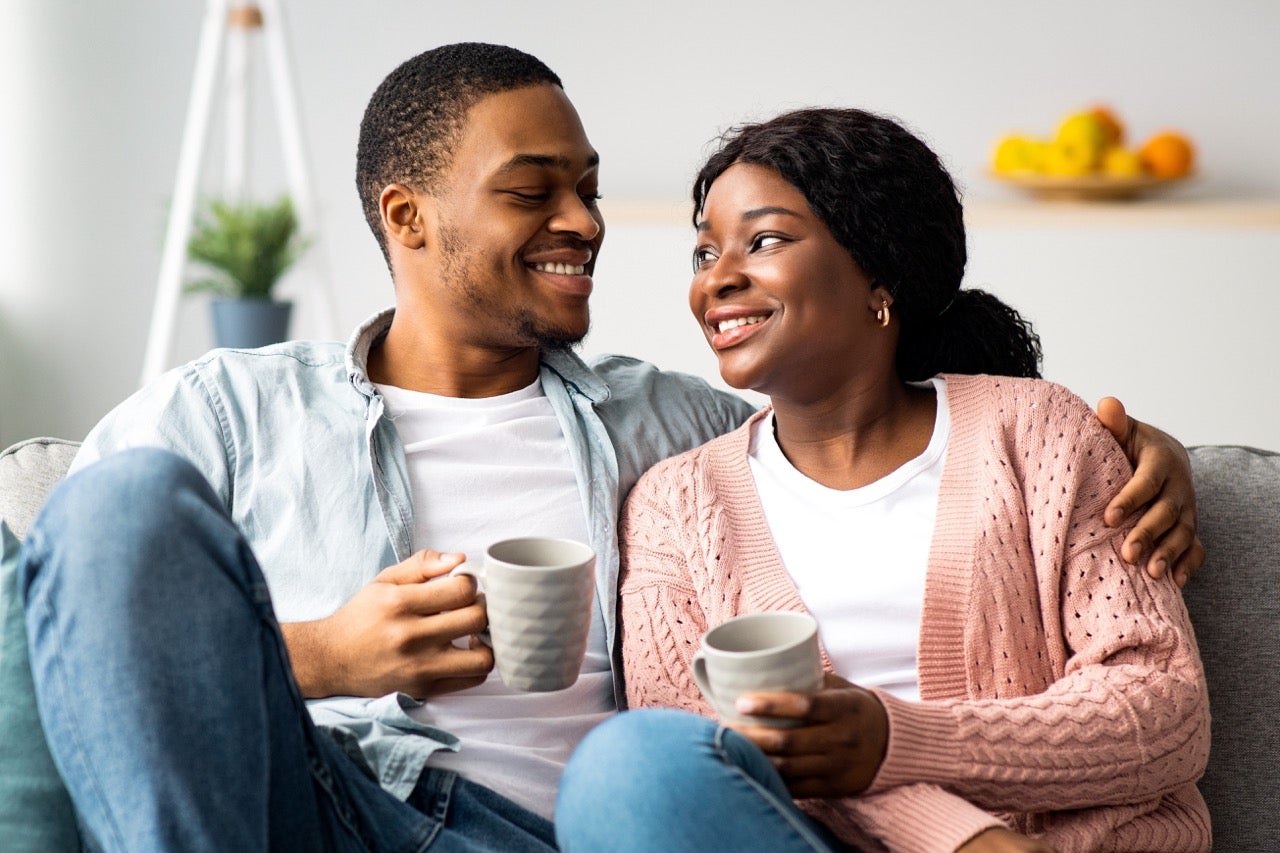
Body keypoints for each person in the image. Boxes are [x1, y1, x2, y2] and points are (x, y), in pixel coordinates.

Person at [18, 44, 1198, 851]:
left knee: (635, 761)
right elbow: (62, 628)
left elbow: (872, 426)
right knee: (115, 510)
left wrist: (1137, 450)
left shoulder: (674, 434)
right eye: (535, 192)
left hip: (565, 828)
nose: (584, 222)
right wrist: (324, 653)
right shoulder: (230, 410)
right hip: (318, 806)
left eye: (585, 189)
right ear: (407, 217)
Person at [556, 108, 1210, 852]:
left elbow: (1164, 709)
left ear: (879, 273)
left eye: (763, 240)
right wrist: (962, 837)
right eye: (704, 253)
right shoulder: (676, 504)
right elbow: (711, 755)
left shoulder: (1037, 431)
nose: (719, 279)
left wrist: (902, 738)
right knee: (628, 765)